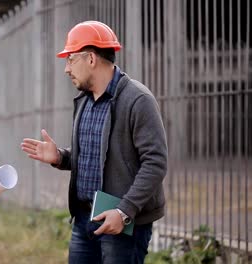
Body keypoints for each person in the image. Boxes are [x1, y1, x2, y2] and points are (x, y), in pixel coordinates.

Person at [21, 21, 168, 264]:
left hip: (123, 224)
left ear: (91, 58)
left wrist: (124, 212)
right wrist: (60, 157)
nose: (66, 69)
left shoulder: (138, 100)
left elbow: (155, 163)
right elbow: (95, 157)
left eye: (70, 59)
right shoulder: (85, 101)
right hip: (84, 220)